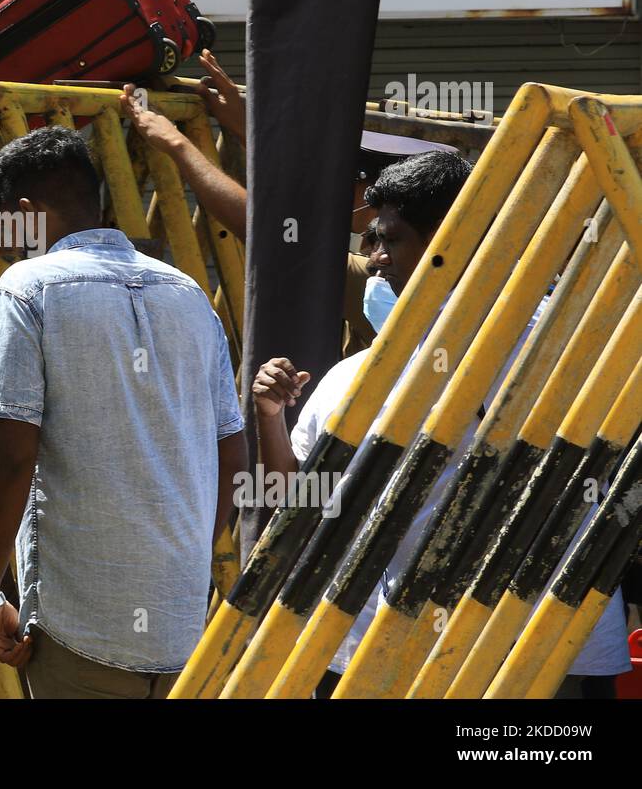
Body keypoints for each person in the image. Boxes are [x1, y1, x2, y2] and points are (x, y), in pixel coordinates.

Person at [251, 151, 631, 698]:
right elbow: (300, 506)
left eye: (393, 239)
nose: (378, 259)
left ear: (459, 235)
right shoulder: (356, 378)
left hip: (534, 651)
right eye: (373, 241)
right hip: (387, 653)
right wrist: (271, 422)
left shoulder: (558, 342)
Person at [0, 126, 247, 699]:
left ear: (25, 212)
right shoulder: (189, 295)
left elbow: (11, 456)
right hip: (180, 620)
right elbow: (232, 453)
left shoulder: (26, 289)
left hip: (80, 623)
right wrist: (190, 556)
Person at [119, 53, 457, 357]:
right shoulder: (416, 253)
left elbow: (272, 236)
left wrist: (178, 145)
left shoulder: (393, 278)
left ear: (380, 186)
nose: (325, 186)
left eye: (342, 174)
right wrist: (245, 129)